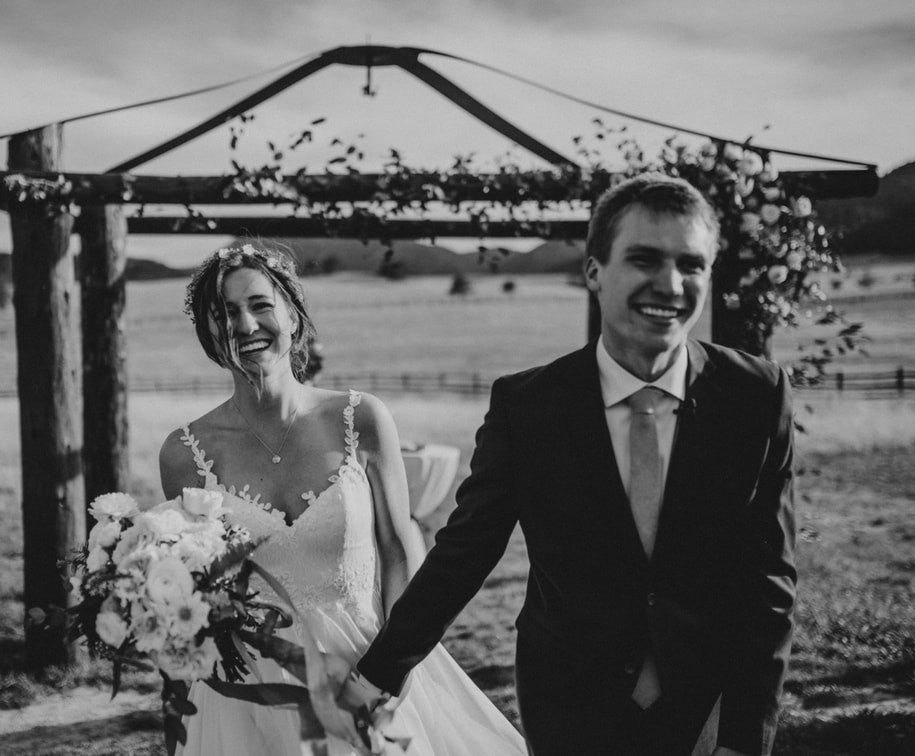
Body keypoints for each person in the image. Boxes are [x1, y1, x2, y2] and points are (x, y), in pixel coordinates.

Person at [349, 174, 797, 756]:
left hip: (707, 698)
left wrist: (745, 738)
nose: (671, 283)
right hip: (570, 704)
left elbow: (770, 578)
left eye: (692, 264)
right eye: (644, 259)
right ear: (593, 272)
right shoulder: (529, 406)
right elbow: (465, 552)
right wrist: (376, 674)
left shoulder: (755, 396)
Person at [158, 242, 526, 755]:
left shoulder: (361, 418)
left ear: (292, 313)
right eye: (224, 313)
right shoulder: (183, 453)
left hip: (367, 667)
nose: (245, 325)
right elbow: (194, 587)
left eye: (260, 304)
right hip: (251, 698)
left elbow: (400, 546)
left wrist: (391, 676)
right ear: (209, 335)